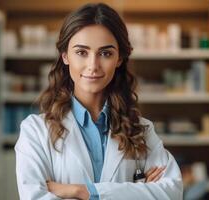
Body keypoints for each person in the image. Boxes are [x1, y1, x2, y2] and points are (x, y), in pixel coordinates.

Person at [15, 3, 183, 200]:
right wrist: (134, 192)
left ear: (119, 58)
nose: (93, 66)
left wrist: (83, 192)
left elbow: (171, 192)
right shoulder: (35, 132)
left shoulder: (142, 131)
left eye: (105, 53)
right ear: (65, 56)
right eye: (81, 52)